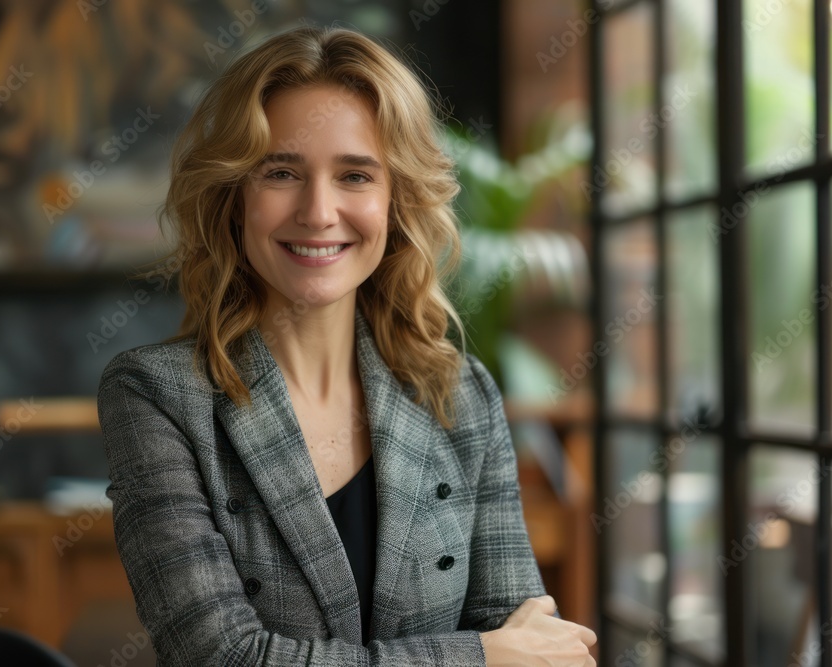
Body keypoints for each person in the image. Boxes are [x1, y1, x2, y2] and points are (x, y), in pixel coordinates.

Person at [97, 24, 596, 666]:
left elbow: (533, 642)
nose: (318, 211)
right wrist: (479, 657)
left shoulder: (459, 393)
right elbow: (221, 657)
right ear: (234, 198)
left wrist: (503, 652)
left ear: (396, 201)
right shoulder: (157, 396)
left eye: (356, 175)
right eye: (281, 172)